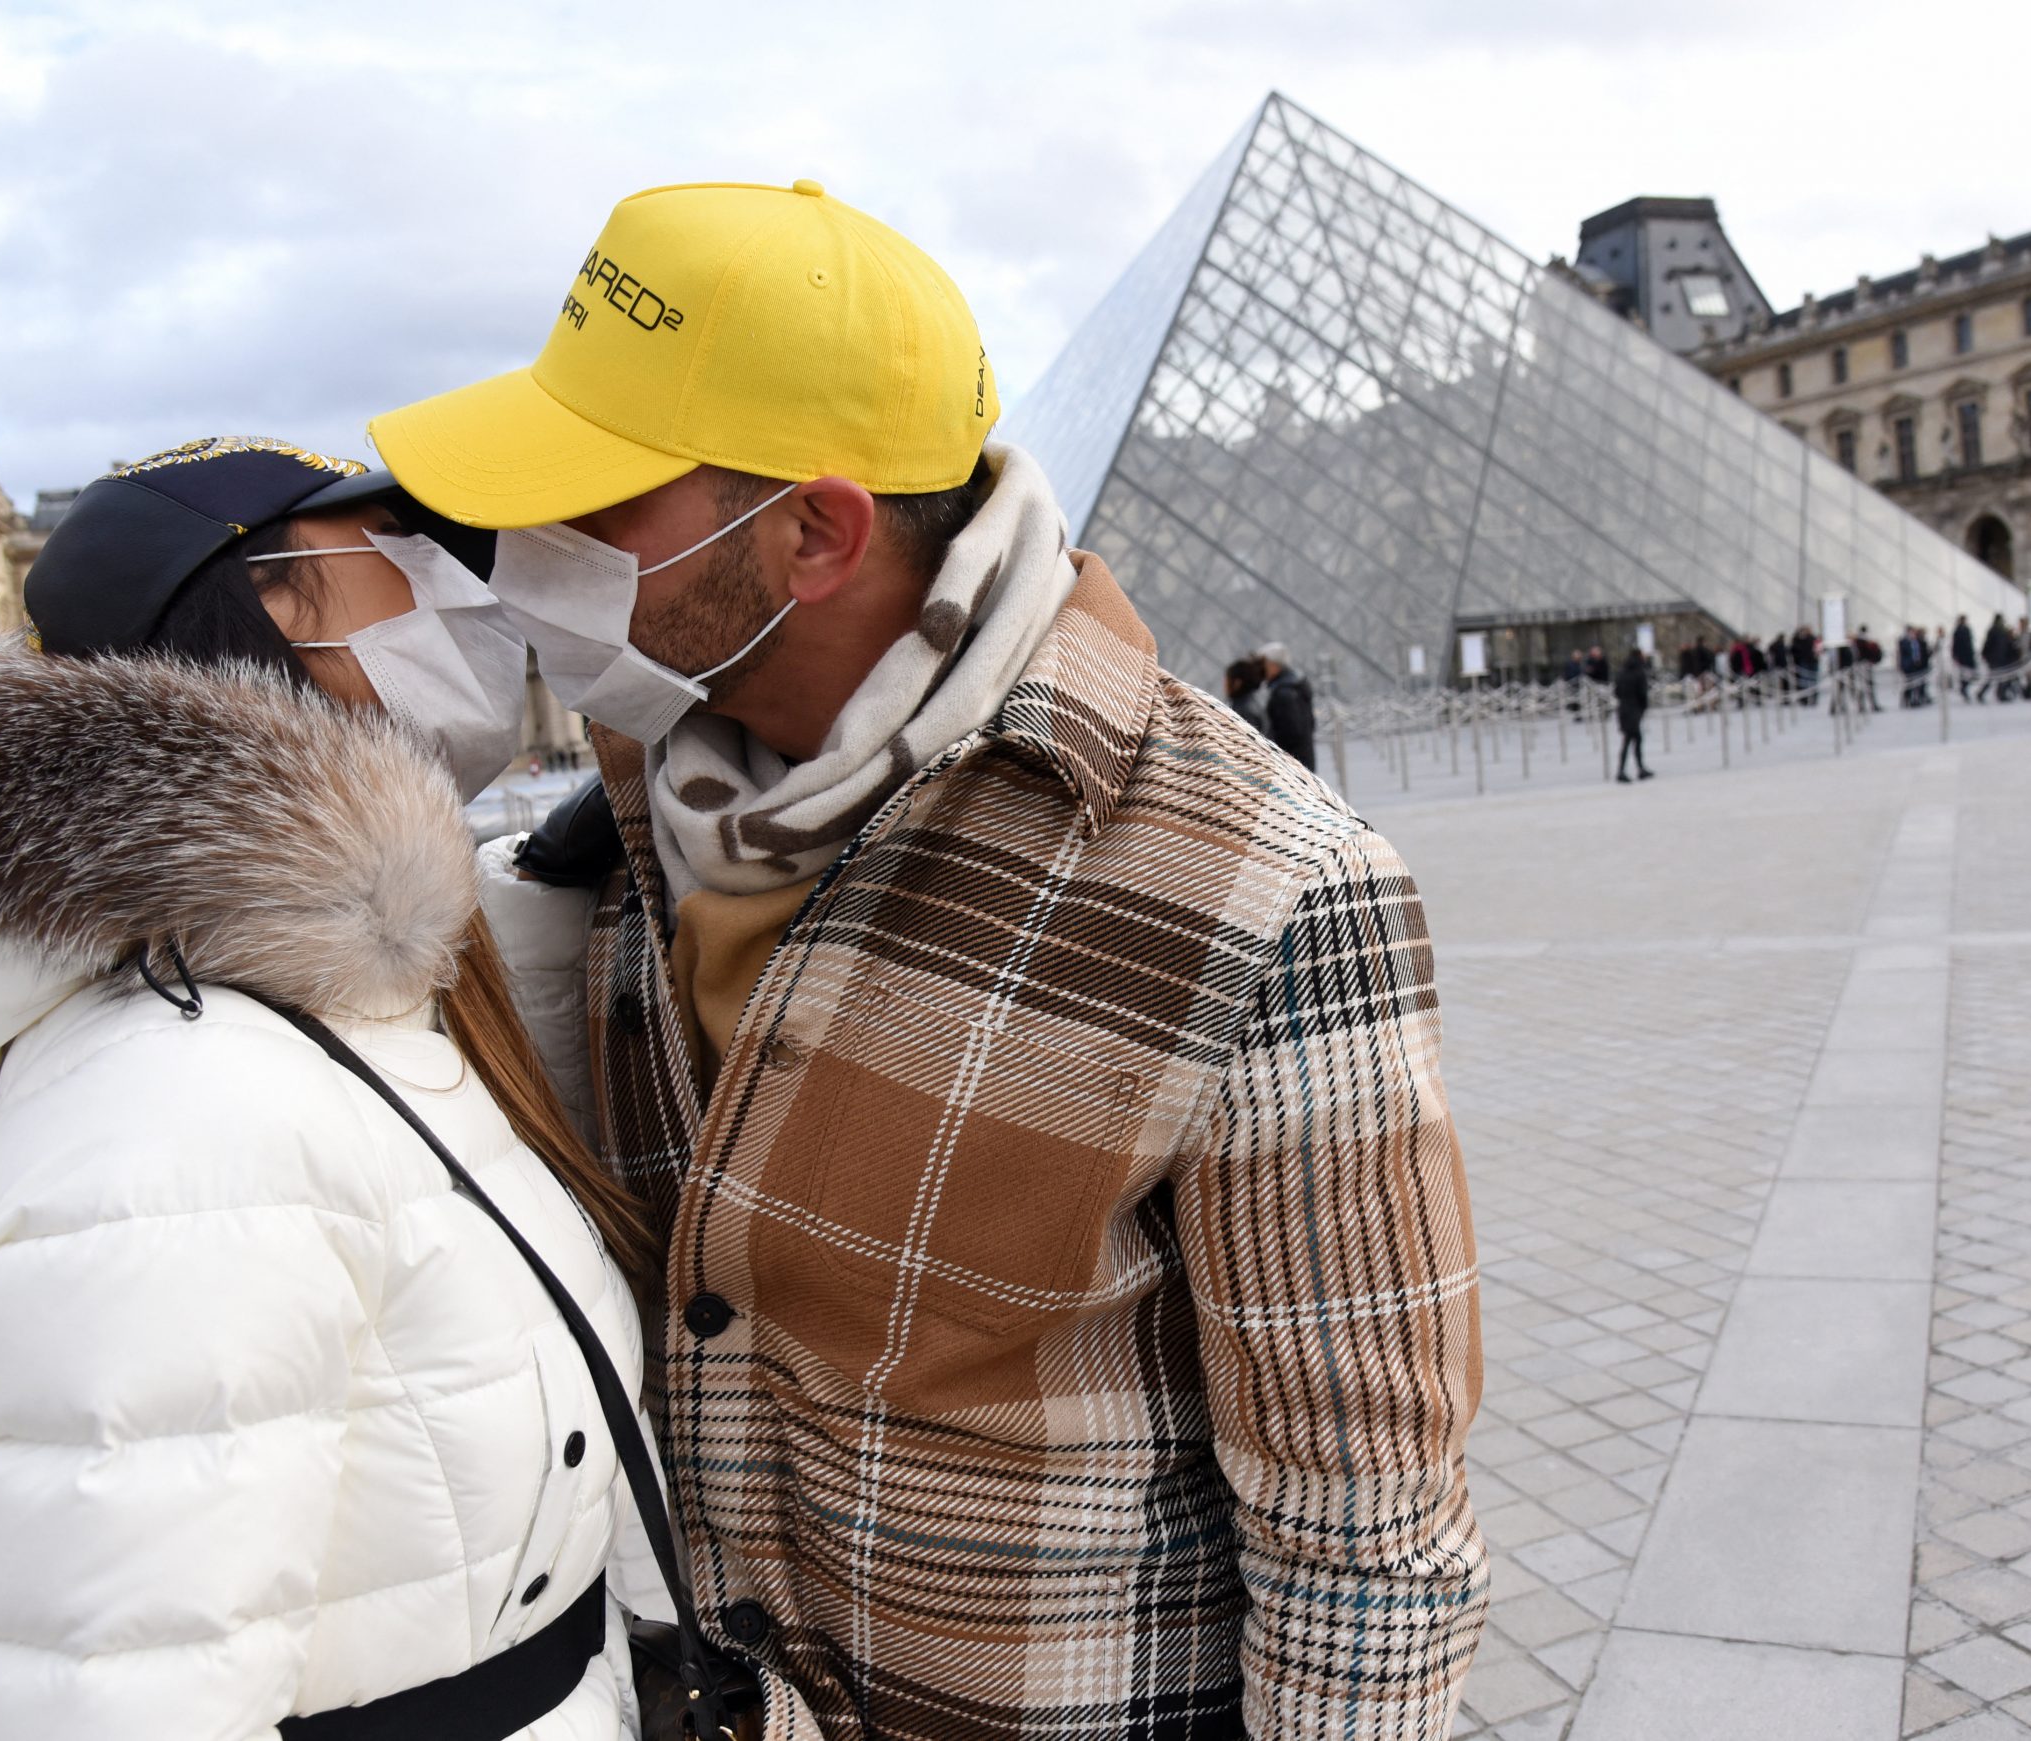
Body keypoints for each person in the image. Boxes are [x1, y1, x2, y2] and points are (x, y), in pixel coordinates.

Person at [371, 177, 1487, 1739]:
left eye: (593, 502)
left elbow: (1366, 1538)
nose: (520, 547)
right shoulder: (634, 809)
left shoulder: (1273, 888)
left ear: (815, 532)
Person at [0, 437, 674, 1740]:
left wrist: (535, 905)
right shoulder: (173, 1109)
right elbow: (127, 1698)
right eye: (402, 552)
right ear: (276, 597)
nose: (459, 590)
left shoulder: (312, 1000)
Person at [1259, 639, 1319, 769]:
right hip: (1303, 758)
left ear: (1274, 666)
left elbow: (1291, 731)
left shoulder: (1284, 693)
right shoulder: (1295, 686)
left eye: (1264, 665)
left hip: (1292, 763)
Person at [1614, 644, 1654, 782]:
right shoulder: (1639, 672)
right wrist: (1643, 707)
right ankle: (1625, 770)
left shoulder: (1622, 671)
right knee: (1632, 740)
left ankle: (1638, 768)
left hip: (1624, 709)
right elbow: (1642, 693)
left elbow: (1617, 692)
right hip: (1634, 710)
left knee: (1632, 739)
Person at [1223, 654, 1271, 735]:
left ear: (1237, 683)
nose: (1225, 685)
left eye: (1227, 680)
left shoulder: (1243, 711)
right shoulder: (1252, 703)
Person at [1981, 614, 2019, 702]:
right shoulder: (1997, 631)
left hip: (1999, 658)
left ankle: (1999, 694)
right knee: (1998, 677)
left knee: (1998, 677)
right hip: (1997, 658)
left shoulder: (1997, 630)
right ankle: (1998, 694)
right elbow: (1989, 644)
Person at [1951, 612, 1980, 701]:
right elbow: (1955, 645)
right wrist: (1955, 656)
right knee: (1964, 674)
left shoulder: (1967, 629)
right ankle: (1963, 688)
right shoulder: (1958, 631)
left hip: (1968, 655)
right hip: (1963, 656)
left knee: (1972, 674)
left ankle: (1964, 687)